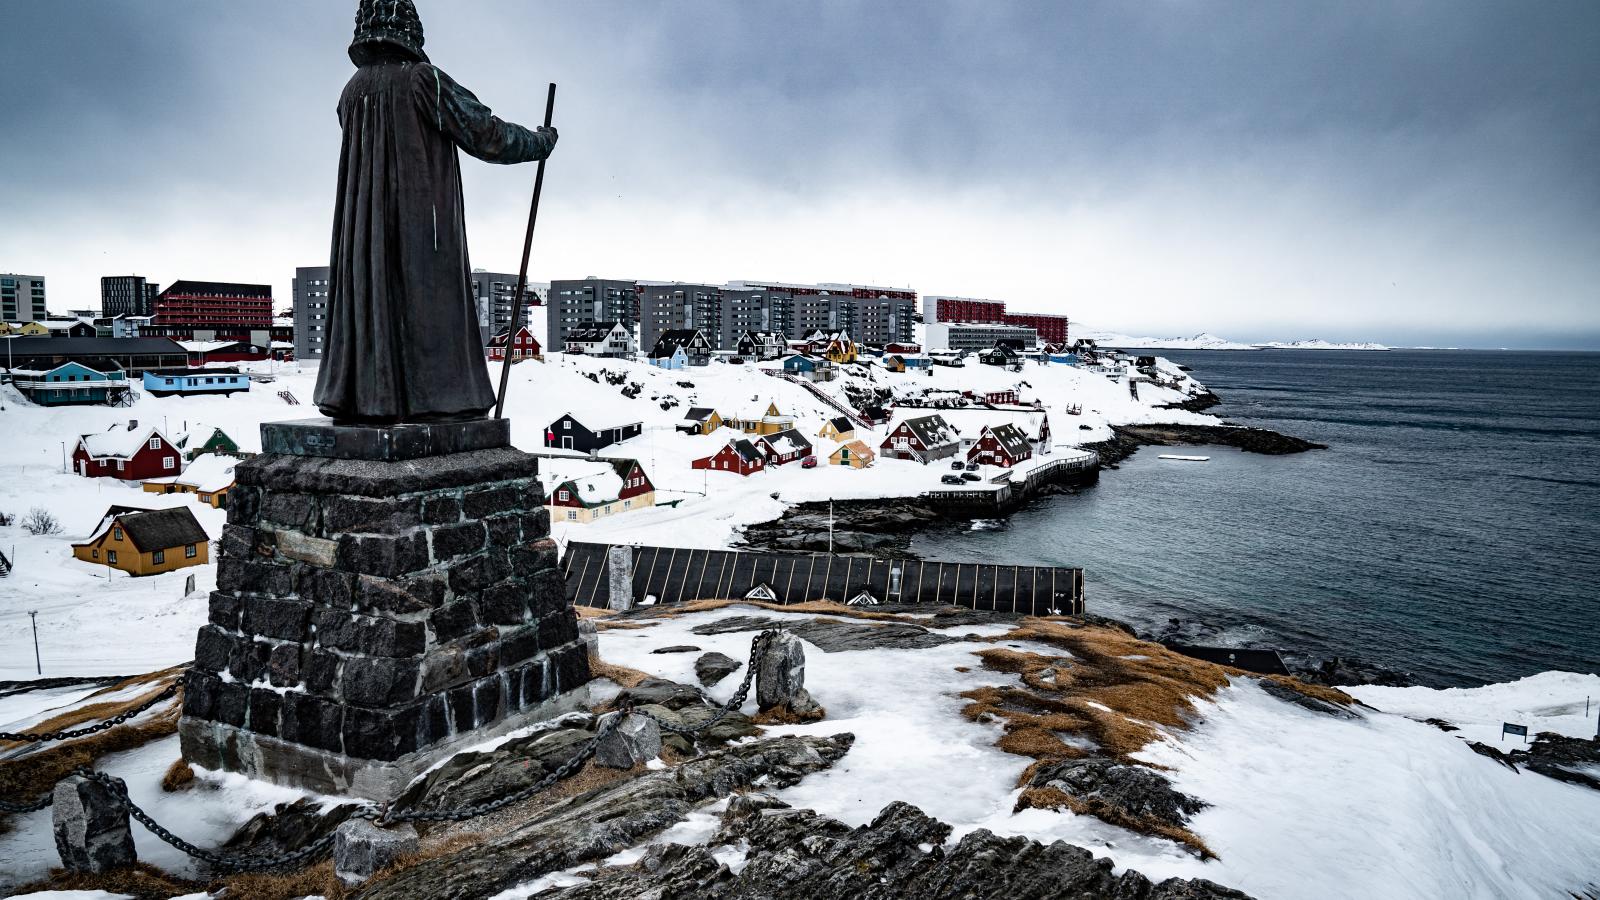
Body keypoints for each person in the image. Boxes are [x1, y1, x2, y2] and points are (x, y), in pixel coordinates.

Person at [314, 0, 557, 424]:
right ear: (408, 28)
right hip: (420, 228)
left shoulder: (351, 92)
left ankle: (370, 400)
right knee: (429, 307)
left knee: (372, 303)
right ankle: (440, 400)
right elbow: (485, 133)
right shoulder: (421, 81)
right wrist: (539, 143)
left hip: (364, 236)